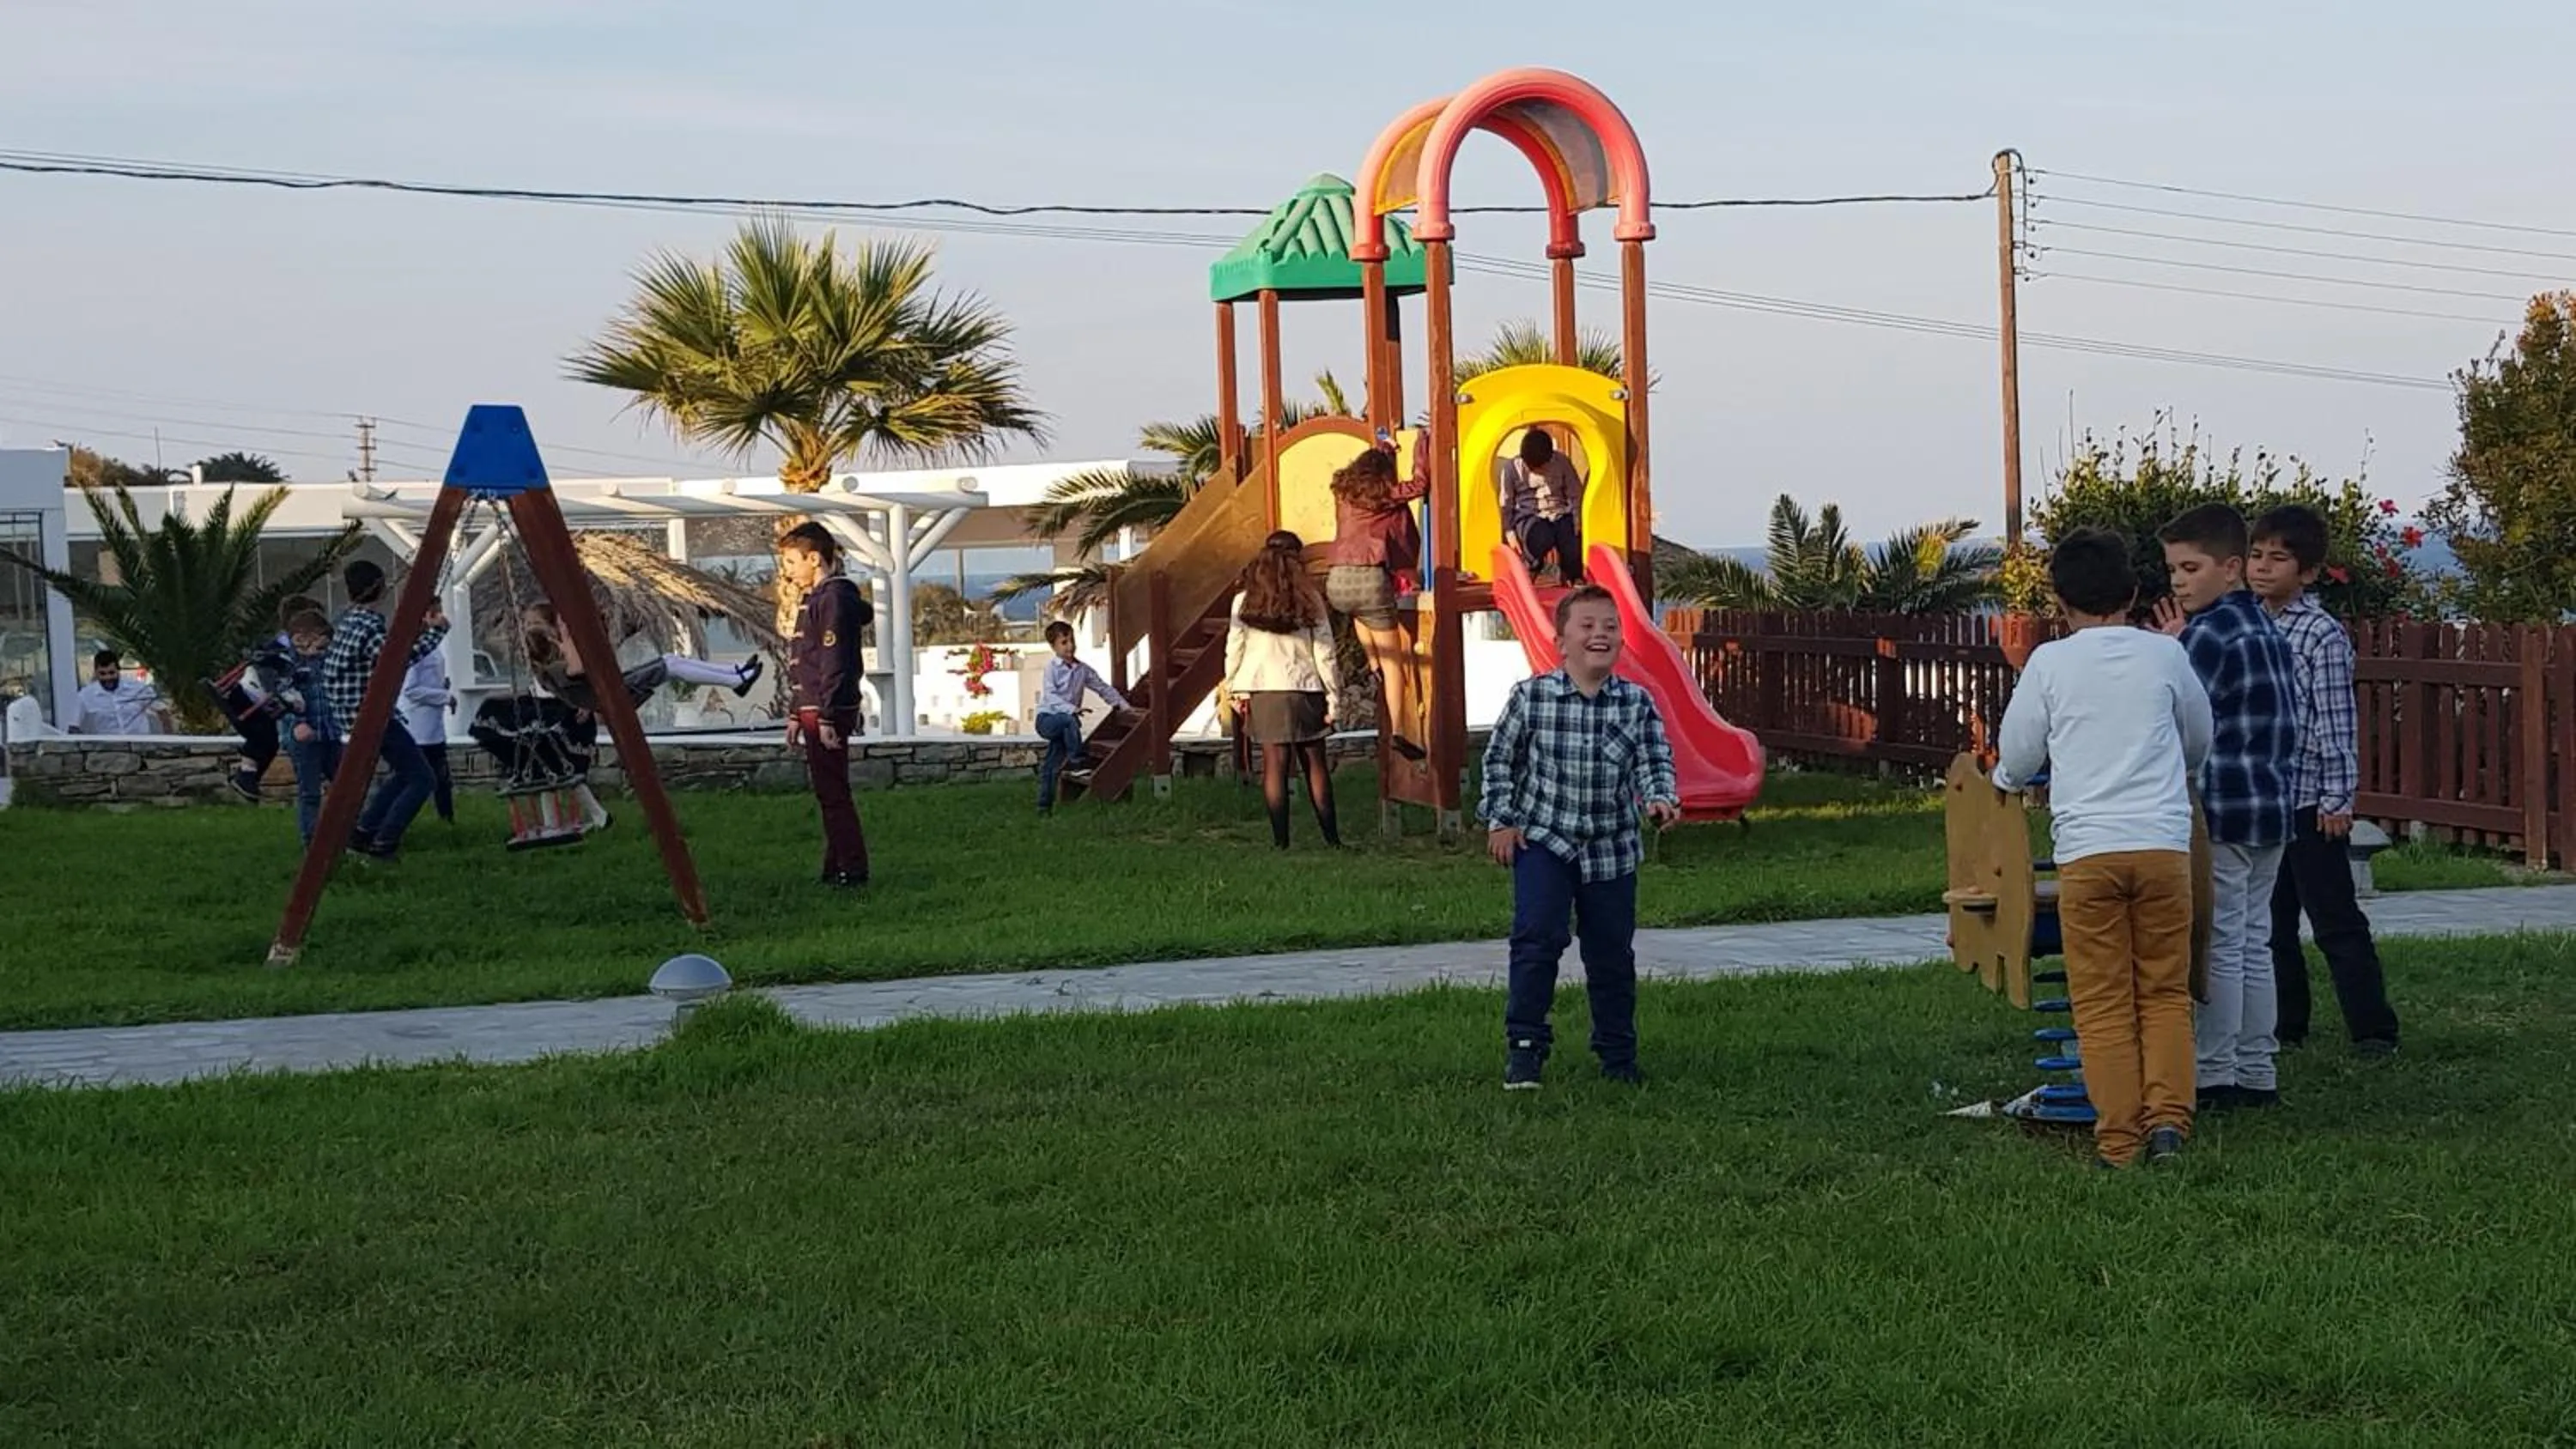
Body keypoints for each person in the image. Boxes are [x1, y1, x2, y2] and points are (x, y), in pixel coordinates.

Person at [1992, 529, 2215, 1167]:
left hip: (2088, 854)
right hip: (2163, 848)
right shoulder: (2165, 658)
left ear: (2059, 598)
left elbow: (2018, 756)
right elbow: (2198, 740)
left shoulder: (2051, 665)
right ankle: (2170, 1123)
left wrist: (2006, 784)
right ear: (2135, 592)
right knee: (2164, 992)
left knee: (2102, 1002)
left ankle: (2118, 1141)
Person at [1479, 585, 1680, 1091]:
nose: (1601, 635)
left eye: (1610, 627)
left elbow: (1654, 762)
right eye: (1588, 626)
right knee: (1537, 940)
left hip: (1612, 850)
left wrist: (1660, 797)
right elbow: (1500, 761)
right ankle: (1525, 1048)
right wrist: (1501, 820)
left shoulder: (1637, 703)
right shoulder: (1532, 698)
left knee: (1611, 954)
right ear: (1561, 641)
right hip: (1545, 842)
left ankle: (1617, 1055)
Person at [2154, 503, 2301, 1110]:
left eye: (2191, 567)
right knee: (2255, 940)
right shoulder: (2266, 625)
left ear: (2232, 567)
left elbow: (2173, 717)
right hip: (2272, 806)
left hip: (2222, 808)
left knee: (2219, 941)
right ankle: (2257, 1069)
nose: (2179, 582)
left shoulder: (2208, 634)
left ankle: (2215, 1074)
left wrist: (2170, 651)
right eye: (2172, 571)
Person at [2248, 505, 2401, 1057]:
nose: (2263, 568)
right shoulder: (2247, 621)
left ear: (2308, 572)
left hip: (2312, 802)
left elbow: (2335, 721)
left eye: (2278, 559)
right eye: (2256, 556)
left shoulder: (2320, 634)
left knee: (2335, 919)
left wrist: (2339, 797)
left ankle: (2373, 1029)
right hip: (2265, 800)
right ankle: (2286, 1025)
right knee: (2271, 925)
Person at [1224, 530, 1343, 849]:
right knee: (1314, 763)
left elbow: (1234, 648)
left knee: (1274, 765)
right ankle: (1332, 839)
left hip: (1263, 688)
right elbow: (1325, 652)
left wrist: (1234, 687)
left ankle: (1281, 842)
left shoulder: (1244, 600)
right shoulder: (1310, 598)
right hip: (1304, 685)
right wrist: (1334, 698)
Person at [322, 559, 449, 861]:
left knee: (405, 773)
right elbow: (394, 659)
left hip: (349, 715)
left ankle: (364, 831)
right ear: (379, 588)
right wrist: (436, 633)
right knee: (423, 779)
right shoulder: (370, 625)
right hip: (372, 716)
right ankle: (385, 840)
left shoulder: (346, 620)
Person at [779, 521, 872, 887]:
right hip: (813, 708)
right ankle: (836, 866)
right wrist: (794, 711)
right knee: (828, 790)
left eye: (791, 562)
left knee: (833, 792)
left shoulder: (833, 599)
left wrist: (829, 716)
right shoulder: (818, 598)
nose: (788, 573)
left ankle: (853, 867)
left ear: (814, 559)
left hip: (825, 710)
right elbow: (807, 658)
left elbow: (834, 661)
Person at [1326, 440, 1429, 762]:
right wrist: (1421, 449)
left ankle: (1372, 663)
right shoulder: (1383, 496)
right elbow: (1420, 485)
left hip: (1336, 581)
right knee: (1394, 658)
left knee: (1359, 612)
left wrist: (1384, 447)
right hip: (1370, 577)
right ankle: (1399, 729)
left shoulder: (1344, 494)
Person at [518, 603, 762, 713]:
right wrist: (565, 634)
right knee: (670, 665)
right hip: (615, 696)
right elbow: (578, 667)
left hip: (613, 689)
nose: (532, 627)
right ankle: (735, 680)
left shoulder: (555, 661)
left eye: (537, 623)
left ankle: (736, 673)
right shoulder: (551, 668)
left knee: (669, 659)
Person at [210, 594, 320, 802]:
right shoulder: (280, 646)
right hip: (249, 698)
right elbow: (274, 672)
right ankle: (247, 775)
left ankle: (249, 778)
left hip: (257, 703)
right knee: (264, 738)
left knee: (267, 740)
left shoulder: (290, 648)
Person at [1032, 618, 1127, 815]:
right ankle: (1076, 763)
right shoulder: (1052, 668)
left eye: (1071, 641)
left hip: (1067, 725)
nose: (1070, 646)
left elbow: (1102, 687)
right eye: (1064, 643)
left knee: (1052, 763)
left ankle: (1044, 806)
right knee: (1069, 719)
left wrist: (1122, 705)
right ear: (1054, 646)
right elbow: (1050, 696)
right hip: (1047, 720)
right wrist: (1071, 709)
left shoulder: (1082, 670)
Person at [272, 608, 343, 846]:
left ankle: (348, 835)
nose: (319, 651)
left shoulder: (325, 660)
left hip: (330, 732)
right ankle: (312, 842)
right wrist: (297, 723)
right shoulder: (286, 664)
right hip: (304, 737)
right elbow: (283, 696)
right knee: (310, 792)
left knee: (345, 785)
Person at [1500, 429, 1585, 585]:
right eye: (1532, 467)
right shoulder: (1511, 469)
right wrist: (1509, 533)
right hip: (1529, 514)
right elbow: (1506, 504)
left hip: (1558, 511)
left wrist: (1577, 519)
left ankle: (1572, 576)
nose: (1537, 471)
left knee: (1571, 538)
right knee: (1537, 535)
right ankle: (1532, 567)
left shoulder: (1561, 462)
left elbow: (1575, 494)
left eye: (1541, 467)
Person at [402, 641, 457, 826]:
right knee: (415, 778)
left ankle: (446, 819)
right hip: (419, 728)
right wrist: (443, 696)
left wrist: (442, 686)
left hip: (434, 727)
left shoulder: (434, 646)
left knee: (442, 778)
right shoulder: (415, 650)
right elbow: (410, 689)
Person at [71, 649, 172, 735]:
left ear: (118, 670)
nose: (108, 678)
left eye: (111, 673)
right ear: (96, 673)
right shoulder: (85, 695)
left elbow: (162, 711)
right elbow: (73, 726)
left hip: (140, 747)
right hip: (108, 749)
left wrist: (169, 740)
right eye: (103, 674)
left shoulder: (137, 688)